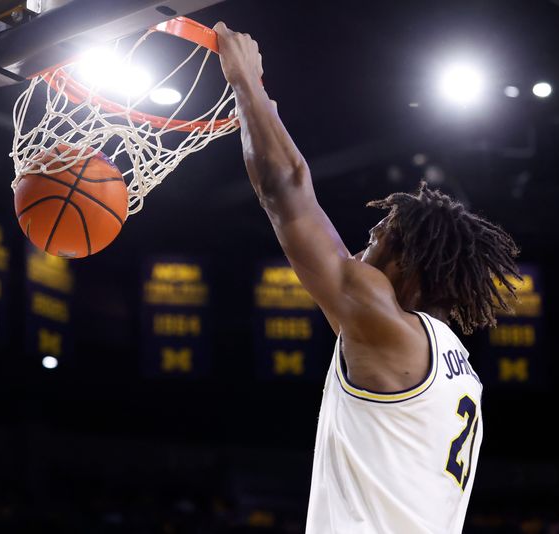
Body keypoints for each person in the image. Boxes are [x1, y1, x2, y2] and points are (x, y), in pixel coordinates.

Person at [213, 22, 521, 534]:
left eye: (375, 239)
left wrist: (247, 81)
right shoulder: (458, 369)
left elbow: (285, 192)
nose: (358, 252)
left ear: (406, 262)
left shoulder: (388, 326)